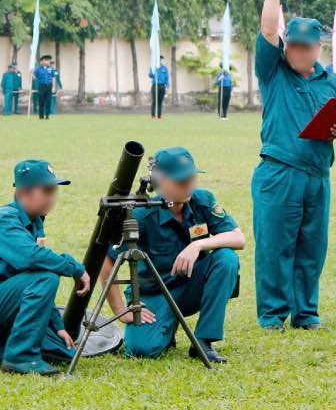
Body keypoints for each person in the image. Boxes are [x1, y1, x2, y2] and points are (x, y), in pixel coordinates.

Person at [252, 0, 336, 332]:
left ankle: (306, 312)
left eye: (304, 47)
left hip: (317, 175)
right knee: (274, 247)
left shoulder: (332, 81)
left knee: (312, 248)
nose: (296, 52)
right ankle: (273, 315)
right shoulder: (273, 72)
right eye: (292, 45)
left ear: (317, 47)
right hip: (279, 173)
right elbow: (266, 30)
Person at [97, 147, 243, 363]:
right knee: (141, 350)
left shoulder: (202, 200)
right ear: (160, 181)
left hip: (191, 286)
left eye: (191, 178)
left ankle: (203, 341)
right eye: (180, 182)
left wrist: (198, 245)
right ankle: (166, 328)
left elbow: (238, 238)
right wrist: (120, 309)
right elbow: (106, 260)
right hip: (155, 294)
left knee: (226, 258)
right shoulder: (141, 213)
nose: (188, 186)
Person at [0, 160, 89, 375]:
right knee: (47, 278)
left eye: (54, 191)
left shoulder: (34, 220)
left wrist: (57, 326)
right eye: (46, 190)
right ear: (25, 192)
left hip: (8, 299)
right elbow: (31, 259)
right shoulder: (3, 220)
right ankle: (21, 358)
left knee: (64, 353)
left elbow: (32, 272)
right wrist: (75, 267)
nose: (52, 197)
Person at [32, 55, 55, 120]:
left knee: (48, 101)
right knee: (41, 101)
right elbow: (34, 77)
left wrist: (53, 87)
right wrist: (32, 73)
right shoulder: (38, 68)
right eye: (46, 60)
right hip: (41, 86)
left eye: (48, 60)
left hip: (49, 86)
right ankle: (41, 116)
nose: (48, 61)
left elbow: (53, 78)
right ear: (42, 61)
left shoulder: (50, 68)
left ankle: (47, 115)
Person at [149, 55, 169, 119]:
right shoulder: (153, 67)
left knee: (160, 101)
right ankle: (153, 116)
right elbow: (150, 75)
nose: (159, 61)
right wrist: (154, 70)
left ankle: (159, 116)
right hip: (155, 85)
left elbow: (167, 78)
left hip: (162, 86)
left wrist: (167, 86)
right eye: (158, 60)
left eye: (160, 59)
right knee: (154, 101)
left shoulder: (164, 68)